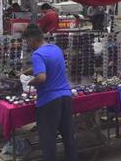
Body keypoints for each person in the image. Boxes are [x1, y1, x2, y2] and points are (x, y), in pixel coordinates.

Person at [24, 24, 78, 161]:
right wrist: (26, 72)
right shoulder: (55, 49)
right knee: (68, 137)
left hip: (49, 101)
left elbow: (41, 77)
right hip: (66, 97)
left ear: (32, 40)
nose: (27, 44)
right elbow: (49, 65)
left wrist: (28, 82)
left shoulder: (37, 54)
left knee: (48, 141)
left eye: (27, 41)